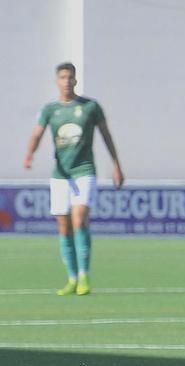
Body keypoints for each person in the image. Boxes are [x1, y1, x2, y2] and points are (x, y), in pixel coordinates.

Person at [23, 62, 124, 296]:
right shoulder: (50, 110)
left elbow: (106, 134)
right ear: (57, 81)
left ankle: (84, 277)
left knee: (79, 220)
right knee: (63, 225)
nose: (67, 81)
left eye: (70, 77)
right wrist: (29, 155)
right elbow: (37, 134)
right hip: (60, 175)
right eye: (62, 77)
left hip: (84, 170)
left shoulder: (90, 107)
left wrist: (116, 164)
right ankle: (71, 277)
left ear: (76, 80)